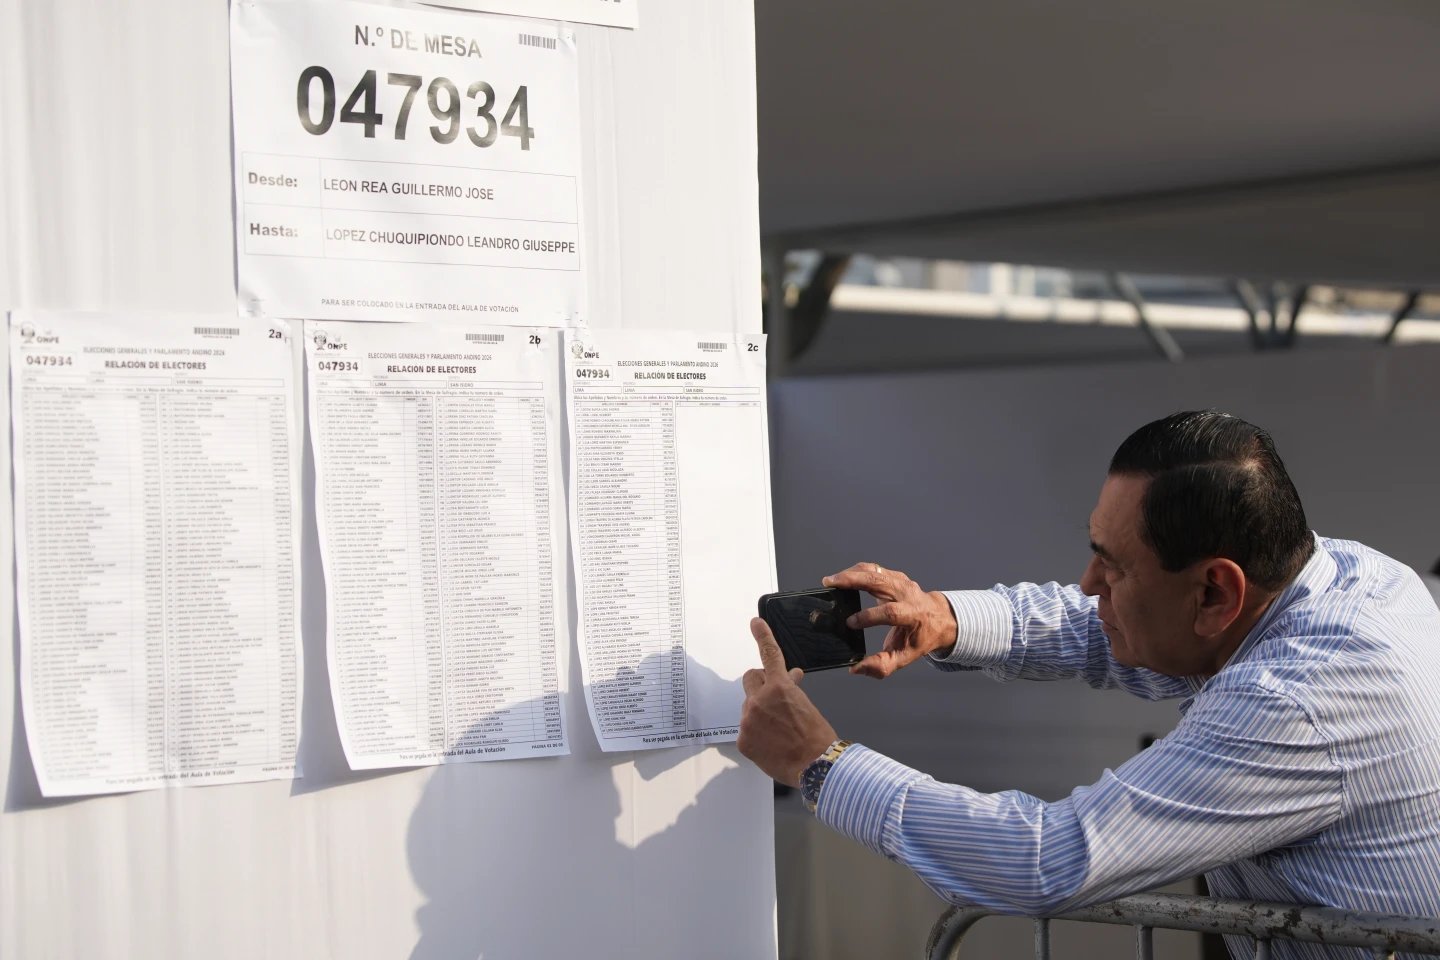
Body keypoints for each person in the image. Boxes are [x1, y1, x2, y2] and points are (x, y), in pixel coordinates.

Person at [738, 411, 1440, 957]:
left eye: (1114, 566)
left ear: (1215, 593)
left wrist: (820, 763)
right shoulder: (1347, 576)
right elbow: (1112, 628)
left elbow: (1044, 859)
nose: (1086, 584)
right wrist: (948, 619)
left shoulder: (1298, 701)